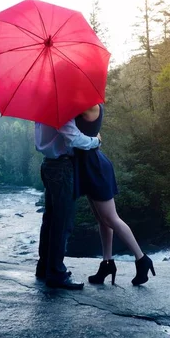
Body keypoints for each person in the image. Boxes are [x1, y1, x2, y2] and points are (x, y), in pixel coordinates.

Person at [74, 103, 155, 286]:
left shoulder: (88, 105)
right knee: (102, 220)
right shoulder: (83, 103)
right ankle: (107, 263)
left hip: (95, 166)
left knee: (111, 218)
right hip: (88, 167)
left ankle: (142, 259)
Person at [35, 118, 102, 290]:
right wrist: (96, 141)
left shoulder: (42, 106)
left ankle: (44, 267)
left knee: (50, 219)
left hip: (48, 164)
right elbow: (74, 138)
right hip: (61, 166)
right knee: (63, 221)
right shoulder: (60, 110)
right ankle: (56, 273)